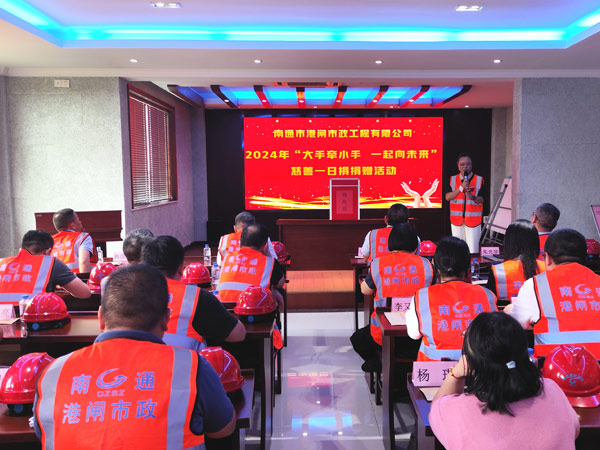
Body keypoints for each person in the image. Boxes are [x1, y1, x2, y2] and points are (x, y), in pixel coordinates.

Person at [34, 264, 236, 448]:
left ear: (100, 318)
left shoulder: (53, 374)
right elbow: (223, 429)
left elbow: (43, 431)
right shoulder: (191, 368)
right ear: (166, 319)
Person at [429, 312, 579, 450]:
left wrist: (455, 375)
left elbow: (436, 412)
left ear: (470, 361)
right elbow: (574, 430)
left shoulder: (456, 410)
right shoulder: (551, 391)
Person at [352, 223, 433, 371]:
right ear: (415, 245)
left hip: (383, 334)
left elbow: (365, 291)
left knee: (357, 339)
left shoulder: (378, 264)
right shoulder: (426, 265)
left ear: (390, 243)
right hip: (419, 334)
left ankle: (380, 363)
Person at [141, 235, 245, 351]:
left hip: (137, 361)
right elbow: (238, 334)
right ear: (181, 268)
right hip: (183, 362)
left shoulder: (129, 295)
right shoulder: (196, 297)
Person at [508, 228, 600, 358]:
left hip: (552, 367)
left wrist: (510, 310)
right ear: (585, 258)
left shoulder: (535, 285)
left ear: (548, 259)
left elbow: (516, 325)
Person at [406, 237, 497, 361]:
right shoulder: (487, 295)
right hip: (479, 370)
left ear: (435, 266)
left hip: (434, 371)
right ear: (468, 267)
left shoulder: (421, 297)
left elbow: (413, 334)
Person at [0, 230, 90, 303]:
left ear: (21, 250)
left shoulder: (2, 262)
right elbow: (84, 293)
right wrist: (64, 283)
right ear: (47, 251)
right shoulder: (50, 262)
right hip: (33, 316)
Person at [216, 223, 285, 306]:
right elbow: (280, 284)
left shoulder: (227, 258)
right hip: (254, 310)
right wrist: (268, 254)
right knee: (273, 292)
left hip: (224, 309)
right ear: (265, 246)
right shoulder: (270, 262)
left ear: (240, 243)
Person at [486, 219, 545, 305]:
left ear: (509, 242)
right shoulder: (546, 269)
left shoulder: (498, 271)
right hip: (540, 313)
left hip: (505, 313)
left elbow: (489, 303)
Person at [445, 153, 485, 253]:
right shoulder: (452, 179)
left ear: (471, 165)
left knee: (472, 250)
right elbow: (447, 197)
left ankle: (472, 264)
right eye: (462, 164)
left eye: (468, 164)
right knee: (457, 250)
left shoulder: (479, 179)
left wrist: (472, 197)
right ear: (458, 165)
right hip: (457, 220)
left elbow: (483, 199)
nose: (465, 167)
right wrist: (461, 188)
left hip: (473, 221)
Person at [51, 208, 97, 273]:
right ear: (73, 225)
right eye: (78, 220)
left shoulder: (49, 241)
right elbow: (84, 262)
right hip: (77, 277)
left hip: (56, 279)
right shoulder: (82, 237)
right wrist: (83, 278)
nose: (80, 222)